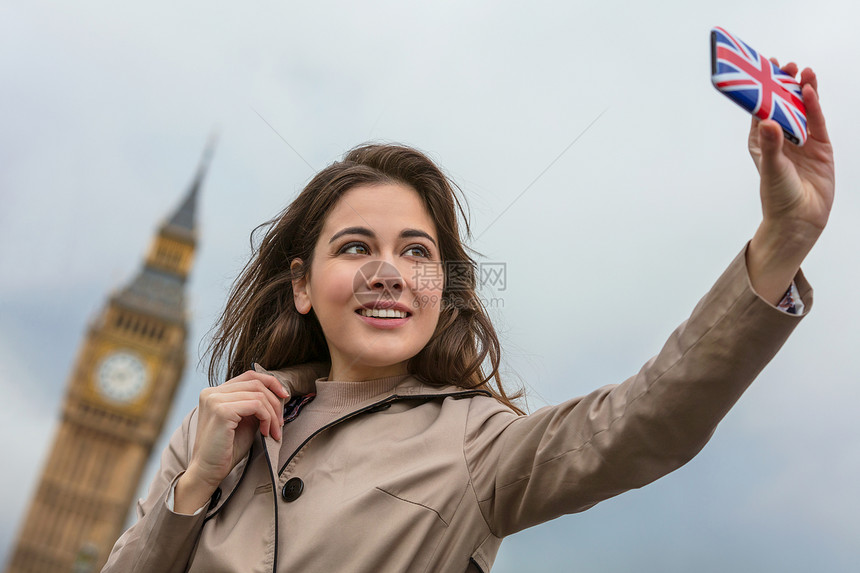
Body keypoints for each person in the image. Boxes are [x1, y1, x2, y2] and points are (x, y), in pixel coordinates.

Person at [102, 63, 834, 573]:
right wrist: (193, 489)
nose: (387, 269)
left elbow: (647, 419)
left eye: (415, 252)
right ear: (302, 284)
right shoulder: (213, 428)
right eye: (355, 246)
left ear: (442, 290)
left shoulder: (474, 441)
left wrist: (780, 243)